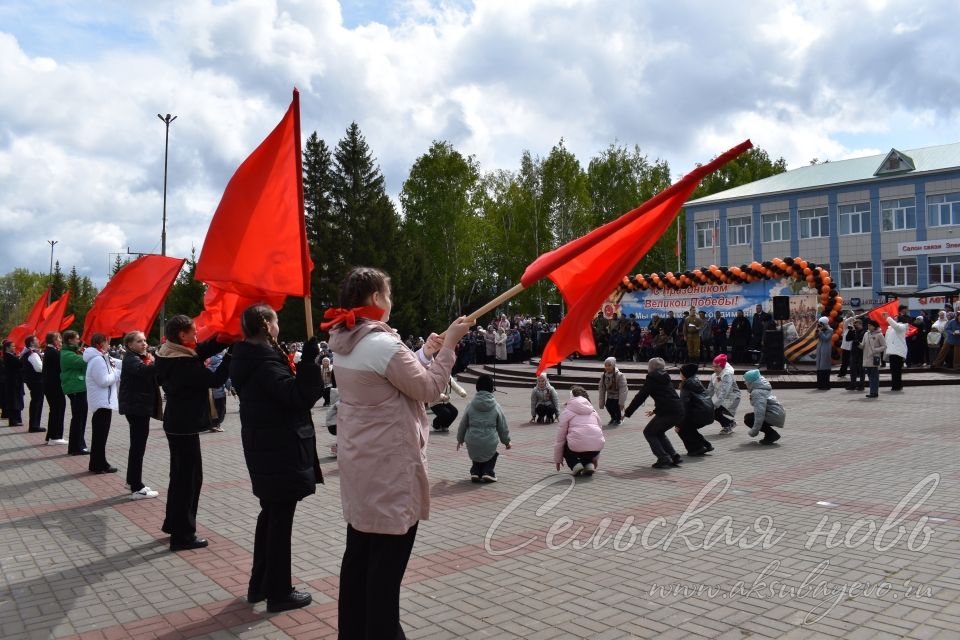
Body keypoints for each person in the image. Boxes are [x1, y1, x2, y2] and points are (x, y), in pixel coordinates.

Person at [326, 266, 471, 639]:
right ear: (375, 299)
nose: (391, 301)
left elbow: (386, 381)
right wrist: (451, 346)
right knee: (385, 572)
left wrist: (424, 352)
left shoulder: (345, 339)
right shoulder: (381, 344)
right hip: (390, 471)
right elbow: (427, 389)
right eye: (387, 294)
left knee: (358, 557)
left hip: (362, 466)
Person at [230, 303, 324, 613]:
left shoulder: (252, 357)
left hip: (267, 448)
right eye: (277, 321)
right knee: (279, 523)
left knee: (270, 517)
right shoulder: (265, 363)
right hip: (279, 451)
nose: (279, 326)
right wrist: (310, 362)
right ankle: (279, 592)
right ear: (267, 326)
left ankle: (260, 585)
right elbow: (298, 397)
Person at [155, 315, 233, 552]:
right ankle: (183, 535)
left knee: (180, 478)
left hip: (178, 424)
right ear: (182, 335)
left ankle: (173, 525)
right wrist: (231, 354)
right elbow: (216, 379)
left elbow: (202, 349)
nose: (197, 335)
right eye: (193, 332)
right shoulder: (182, 364)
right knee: (188, 481)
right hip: (183, 426)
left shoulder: (170, 351)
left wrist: (226, 338)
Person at [119, 331, 162, 499]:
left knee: (137, 446)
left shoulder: (139, 357)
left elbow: (153, 377)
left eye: (144, 340)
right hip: (136, 408)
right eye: (139, 341)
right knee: (138, 447)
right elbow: (144, 371)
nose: (144, 344)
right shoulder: (131, 359)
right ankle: (136, 486)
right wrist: (161, 361)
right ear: (130, 345)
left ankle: (132, 481)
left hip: (138, 407)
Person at [623, 357, 684, 469]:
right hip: (678, 410)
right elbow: (667, 396)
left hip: (668, 412)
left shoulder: (652, 378)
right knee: (658, 432)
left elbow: (640, 396)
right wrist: (655, 411)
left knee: (649, 432)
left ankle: (663, 458)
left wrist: (628, 412)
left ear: (651, 368)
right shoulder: (665, 377)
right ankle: (674, 456)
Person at [457, 374, 511, 482]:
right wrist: (506, 441)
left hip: (472, 441)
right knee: (491, 452)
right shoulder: (496, 406)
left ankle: (475, 472)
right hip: (489, 442)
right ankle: (488, 471)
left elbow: (463, 424)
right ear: (492, 388)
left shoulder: (471, 405)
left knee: (476, 448)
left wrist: (460, 439)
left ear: (477, 387)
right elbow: (502, 426)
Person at [83, 333, 121, 474]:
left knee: (101, 436)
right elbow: (103, 381)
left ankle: (99, 462)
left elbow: (118, 363)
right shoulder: (97, 360)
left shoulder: (102, 357)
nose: (109, 345)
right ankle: (98, 464)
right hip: (101, 403)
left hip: (104, 402)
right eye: (107, 342)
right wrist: (116, 374)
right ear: (100, 344)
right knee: (100, 436)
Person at [553, 386, 604, 476]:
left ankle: (575, 465)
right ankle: (589, 465)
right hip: (596, 449)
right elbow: (598, 436)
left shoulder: (567, 411)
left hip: (576, 448)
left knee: (566, 444)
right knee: (588, 441)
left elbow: (560, 438)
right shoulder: (593, 411)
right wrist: (595, 458)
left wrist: (558, 460)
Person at [674, 363, 715, 456]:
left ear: (685, 374)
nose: (680, 375)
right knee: (689, 427)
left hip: (699, 415)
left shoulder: (686, 385)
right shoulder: (696, 381)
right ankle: (706, 445)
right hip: (708, 414)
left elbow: (684, 407)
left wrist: (678, 424)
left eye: (680, 373)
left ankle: (695, 449)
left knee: (681, 428)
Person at [60, 331, 89, 455]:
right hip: (76, 388)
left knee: (81, 417)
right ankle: (76, 446)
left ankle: (78, 445)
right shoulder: (66, 354)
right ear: (70, 340)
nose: (79, 340)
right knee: (78, 418)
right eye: (77, 339)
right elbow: (83, 362)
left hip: (79, 387)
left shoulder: (72, 352)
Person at [742, 369, 786, 445]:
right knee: (748, 416)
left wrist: (754, 431)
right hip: (777, 414)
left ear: (751, 382)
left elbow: (759, 413)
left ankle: (772, 435)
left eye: (746, 380)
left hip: (775, 415)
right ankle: (770, 434)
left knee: (749, 419)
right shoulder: (761, 388)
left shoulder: (757, 392)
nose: (744, 382)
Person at [42, 332, 67, 444]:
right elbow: (62, 366)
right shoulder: (53, 352)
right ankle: (55, 436)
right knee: (58, 408)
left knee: (56, 409)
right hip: (54, 386)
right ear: (53, 340)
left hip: (51, 385)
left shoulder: (51, 351)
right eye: (59, 338)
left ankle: (51, 436)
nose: (61, 340)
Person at [706, 354, 740, 435]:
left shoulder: (727, 375)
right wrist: (705, 400)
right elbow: (710, 390)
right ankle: (729, 423)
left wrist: (716, 404)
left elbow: (725, 391)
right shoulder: (714, 375)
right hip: (723, 398)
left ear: (722, 367)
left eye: (717, 367)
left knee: (715, 411)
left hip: (732, 397)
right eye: (713, 366)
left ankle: (729, 424)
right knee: (712, 411)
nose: (714, 369)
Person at [21, 336, 45, 432]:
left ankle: (34, 425)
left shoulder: (29, 353)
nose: (39, 341)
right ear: (31, 343)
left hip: (33, 381)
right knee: (37, 403)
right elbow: (39, 368)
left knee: (36, 402)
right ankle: (34, 426)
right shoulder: (32, 354)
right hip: (37, 382)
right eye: (36, 340)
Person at [883, 308, 908, 392]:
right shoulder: (890, 328)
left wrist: (888, 317)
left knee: (897, 370)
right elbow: (887, 338)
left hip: (898, 352)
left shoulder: (903, 326)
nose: (895, 318)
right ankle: (895, 385)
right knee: (893, 370)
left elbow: (896, 326)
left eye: (896, 318)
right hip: (891, 351)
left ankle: (897, 385)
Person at [597, 357, 628, 426]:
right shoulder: (604, 375)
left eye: (609, 365)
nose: (607, 367)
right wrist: (601, 401)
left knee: (616, 406)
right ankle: (613, 418)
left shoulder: (620, 375)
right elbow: (602, 388)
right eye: (606, 366)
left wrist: (621, 402)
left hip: (618, 394)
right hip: (610, 394)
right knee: (608, 405)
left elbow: (623, 389)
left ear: (613, 365)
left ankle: (619, 419)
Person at [861, 318, 886, 399]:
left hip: (874, 358)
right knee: (870, 376)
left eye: (870, 325)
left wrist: (875, 350)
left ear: (875, 326)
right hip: (866, 358)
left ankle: (874, 392)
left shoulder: (879, 334)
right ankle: (872, 391)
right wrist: (857, 343)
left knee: (874, 376)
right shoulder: (866, 334)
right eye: (868, 325)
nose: (868, 327)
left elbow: (884, 346)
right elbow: (863, 345)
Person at [3, 339, 25, 427]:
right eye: (13, 346)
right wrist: (20, 357)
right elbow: (19, 364)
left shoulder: (11, 356)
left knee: (16, 401)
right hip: (12, 382)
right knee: (13, 401)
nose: (14, 348)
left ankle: (16, 419)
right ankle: (13, 421)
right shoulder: (8, 356)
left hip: (15, 381)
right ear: (7, 348)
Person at [206, 351, 229, 432]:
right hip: (219, 391)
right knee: (220, 409)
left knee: (211, 409)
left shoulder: (205, 360)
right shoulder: (220, 361)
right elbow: (225, 377)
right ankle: (216, 425)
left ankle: (212, 425)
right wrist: (230, 388)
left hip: (207, 391)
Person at [845, 318, 866, 391]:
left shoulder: (864, 332)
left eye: (856, 324)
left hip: (861, 352)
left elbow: (859, 340)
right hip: (853, 352)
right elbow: (847, 339)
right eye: (854, 324)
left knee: (861, 369)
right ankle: (853, 384)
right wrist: (851, 331)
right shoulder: (854, 331)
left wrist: (854, 332)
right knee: (852, 368)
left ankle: (861, 385)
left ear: (860, 324)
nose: (855, 326)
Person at [814, 317, 833, 391]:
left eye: (822, 324)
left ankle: (826, 385)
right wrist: (816, 331)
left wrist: (821, 331)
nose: (821, 325)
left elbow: (826, 339)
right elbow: (814, 338)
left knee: (824, 366)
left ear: (825, 324)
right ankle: (820, 384)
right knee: (819, 366)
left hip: (826, 349)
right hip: (819, 349)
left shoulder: (830, 330)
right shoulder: (820, 330)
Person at [837, 312, 855, 377]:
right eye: (847, 314)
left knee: (852, 361)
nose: (848, 316)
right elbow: (847, 321)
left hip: (852, 346)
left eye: (850, 315)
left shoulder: (854, 324)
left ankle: (854, 373)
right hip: (845, 346)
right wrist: (852, 317)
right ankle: (842, 373)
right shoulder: (846, 324)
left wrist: (853, 319)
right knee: (844, 361)